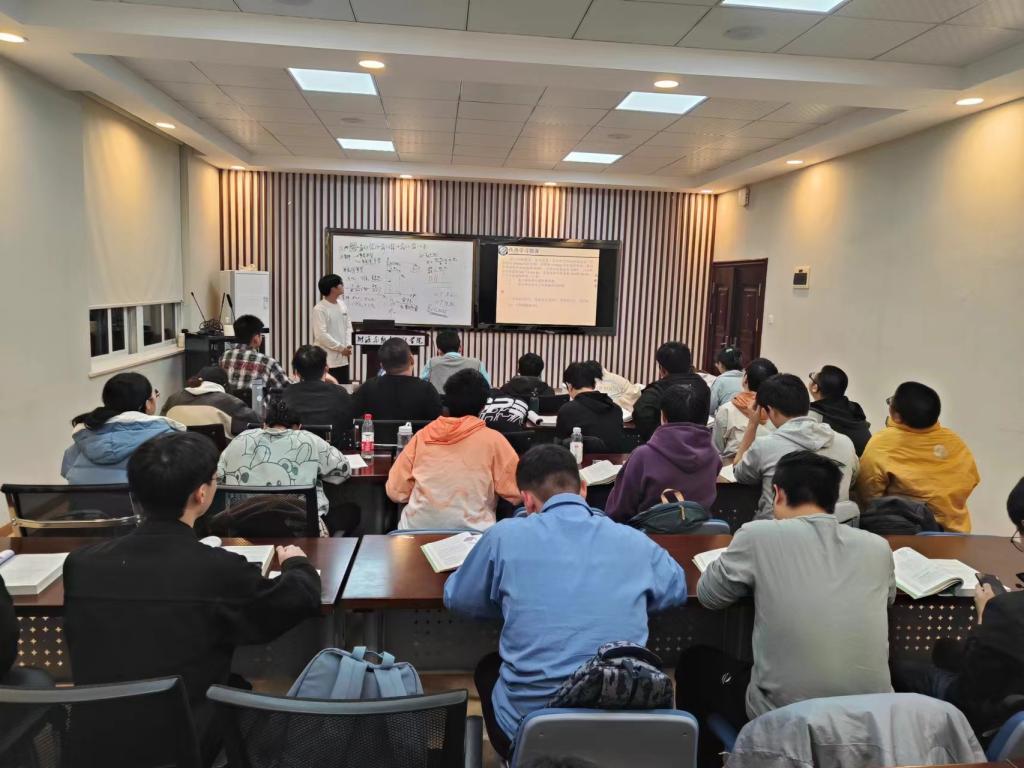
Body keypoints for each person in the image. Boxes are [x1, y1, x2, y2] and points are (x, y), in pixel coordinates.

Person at [63, 432, 320, 764]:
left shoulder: (81, 565)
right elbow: (295, 600)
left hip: (92, 744)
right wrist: (297, 564)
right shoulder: (219, 569)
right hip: (183, 743)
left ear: (135, 494)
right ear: (201, 493)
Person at [445, 445, 688, 760]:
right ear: (583, 489)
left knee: (489, 668)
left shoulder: (504, 536)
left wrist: (509, 599)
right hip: (626, 723)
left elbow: (458, 598)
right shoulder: (634, 540)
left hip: (536, 733)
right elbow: (676, 589)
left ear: (527, 500)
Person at [676, 451, 894, 757]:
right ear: (834, 499)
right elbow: (887, 599)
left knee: (694, 663)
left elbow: (710, 596)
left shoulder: (758, 535)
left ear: (777, 493)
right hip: (869, 720)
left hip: (784, 719)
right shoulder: (878, 547)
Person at [892, 476, 1024, 742]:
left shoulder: (1007, 613)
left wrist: (985, 616)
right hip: (1009, 691)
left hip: (988, 719)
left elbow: (969, 693)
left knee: (900, 668)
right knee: (945, 650)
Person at [386, 369, 520, 530]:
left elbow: (395, 491)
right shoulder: (494, 441)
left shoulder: (422, 436)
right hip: (473, 537)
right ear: (484, 406)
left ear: (446, 401)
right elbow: (517, 492)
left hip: (414, 533)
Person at [855, 381, 979, 532]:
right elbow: (971, 479)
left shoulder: (883, 443)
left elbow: (867, 494)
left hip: (906, 534)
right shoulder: (954, 441)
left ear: (896, 416)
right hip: (955, 533)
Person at [732, 373, 858, 520]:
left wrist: (752, 424)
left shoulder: (765, 446)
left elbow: (739, 472)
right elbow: (853, 479)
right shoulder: (845, 442)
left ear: (770, 410)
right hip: (832, 529)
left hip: (776, 531)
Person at [216, 399, 352, 535]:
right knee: (350, 512)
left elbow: (218, 476)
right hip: (299, 531)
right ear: (298, 427)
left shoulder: (240, 440)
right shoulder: (309, 440)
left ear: (264, 425)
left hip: (243, 531)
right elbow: (343, 471)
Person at [605, 384, 720, 522]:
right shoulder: (713, 456)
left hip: (647, 534)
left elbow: (618, 512)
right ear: (704, 418)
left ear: (663, 416)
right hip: (701, 532)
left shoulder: (643, 456)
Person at [62, 372, 181, 484]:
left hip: (86, 500)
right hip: (145, 500)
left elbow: (66, 471)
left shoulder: (84, 438)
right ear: (148, 403)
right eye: (155, 395)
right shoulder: (169, 439)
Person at [633, 342, 711, 443]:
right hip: (699, 444)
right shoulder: (702, 386)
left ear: (662, 369)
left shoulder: (656, 391)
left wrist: (656, 440)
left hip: (663, 447)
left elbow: (641, 415)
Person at [281, 345, 354, 451]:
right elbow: (349, 427)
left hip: (294, 454)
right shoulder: (340, 393)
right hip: (333, 455)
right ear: (326, 368)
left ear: (296, 372)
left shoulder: (286, 394)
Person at [352, 337, 442, 422]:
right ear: (412, 360)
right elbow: (438, 422)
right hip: (418, 434)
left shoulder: (369, 387)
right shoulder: (427, 389)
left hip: (378, 434)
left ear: (382, 366)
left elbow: (351, 413)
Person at [162, 365, 259, 437]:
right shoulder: (230, 402)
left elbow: (161, 424)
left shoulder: (173, 399)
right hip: (217, 456)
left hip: (176, 454)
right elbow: (257, 424)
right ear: (225, 385)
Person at [712, 357, 778, 461]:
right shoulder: (779, 413)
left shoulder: (727, 409)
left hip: (734, 465)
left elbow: (717, 448)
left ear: (745, 379)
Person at [554, 362, 626, 451]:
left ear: (570, 386)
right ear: (594, 385)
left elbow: (559, 447)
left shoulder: (567, 410)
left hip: (577, 459)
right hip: (613, 459)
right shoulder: (616, 409)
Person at [808, 365, 872, 456]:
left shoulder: (813, 416)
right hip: (863, 460)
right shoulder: (855, 409)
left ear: (815, 387)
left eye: (812, 377)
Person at [220, 314, 290, 391]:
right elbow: (287, 389)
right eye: (260, 335)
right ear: (256, 338)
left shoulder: (224, 357)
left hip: (228, 398)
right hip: (256, 399)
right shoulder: (267, 362)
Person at [311, 273, 353, 384]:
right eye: (340, 284)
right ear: (333, 288)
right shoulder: (320, 309)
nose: (343, 285)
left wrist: (348, 345)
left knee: (343, 388)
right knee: (327, 390)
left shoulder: (342, 305)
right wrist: (341, 348)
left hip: (343, 359)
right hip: (326, 360)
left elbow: (348, 326)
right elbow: (321, 335)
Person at [420, 330, 490, 392]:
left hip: (439, 402)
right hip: (468, 402)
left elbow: (422, 385)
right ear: (460, 348)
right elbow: (488, 387)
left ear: (439, 350)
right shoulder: (477, 363)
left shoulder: (432, 363)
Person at [708, 346, 744, 414]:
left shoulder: (720, 381)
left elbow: (710, 408)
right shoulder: (746, 379)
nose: (716, 365)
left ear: (721, 364)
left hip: (726, 418)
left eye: (717, 363)